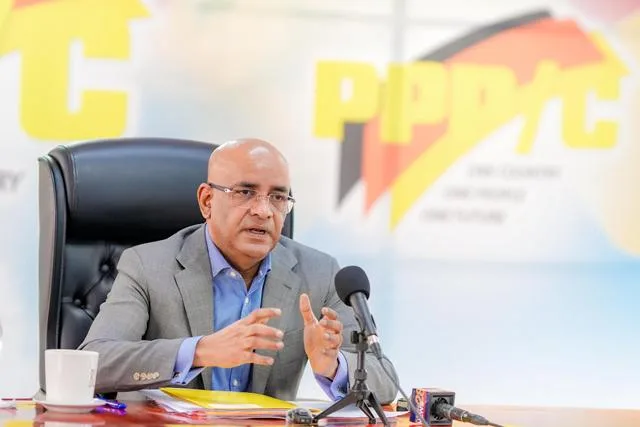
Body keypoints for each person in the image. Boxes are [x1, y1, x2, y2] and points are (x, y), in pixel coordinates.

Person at [79, 138, 397, 403]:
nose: (263, 210)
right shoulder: (147, 266)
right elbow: (94, 363)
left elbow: (385, 381)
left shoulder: (319, 273)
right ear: (207, 201)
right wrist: (199, 351)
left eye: (278, 197)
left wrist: (333, 366)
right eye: (245, 193)